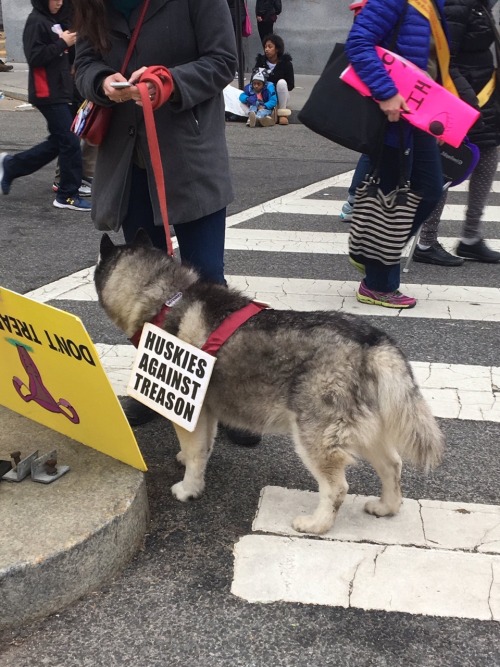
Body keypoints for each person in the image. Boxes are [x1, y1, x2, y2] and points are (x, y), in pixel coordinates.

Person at [72, 0, 261, 445]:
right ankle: (163, 389)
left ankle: (231, 396)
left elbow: (222, 62)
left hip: (189, 154)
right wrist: (102, 82)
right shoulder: (92, 4)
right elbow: (83, 63)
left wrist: (170, 81)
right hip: (126, 158)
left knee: (209, 283)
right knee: (146, 289)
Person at [344, 0, 450, 308]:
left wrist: (442, 115)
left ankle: (369, 250)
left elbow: (434, 63)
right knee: (391, 196)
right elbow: (359, 43)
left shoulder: (433, 3)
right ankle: (378, 283)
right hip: (393, 116)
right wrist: (386, 92)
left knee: (430, 189)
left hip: (419, 114)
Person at [413, 0, 500, 266]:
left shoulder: (478, 4)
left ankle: (471, 238)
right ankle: (426, 241)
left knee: (488, 155)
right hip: (464, 98)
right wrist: (467, 98)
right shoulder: (456, 4)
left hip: (484, 94)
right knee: (448, 164)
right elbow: (445, 58)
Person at [0, 0, 90, 211]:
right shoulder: (36, 21)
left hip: (62, 90)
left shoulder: (57, 19)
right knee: (69, 140)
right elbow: (34, 56)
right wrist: (62, 43)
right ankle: (67, 193)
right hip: (46, 92)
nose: (59, 2)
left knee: (60, 141)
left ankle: (11, 166)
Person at [254, 33, 294, 125]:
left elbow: (291, 85)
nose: (266, 49)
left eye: (270, 46)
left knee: (282, 82)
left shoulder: (286, 63)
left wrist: (274, 87)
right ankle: (263, 115)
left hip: (281, 95)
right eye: (265, 47)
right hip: (265, 95)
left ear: (277, 49)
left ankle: (282, 114)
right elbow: (254, 80)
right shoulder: (261, 62)